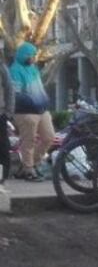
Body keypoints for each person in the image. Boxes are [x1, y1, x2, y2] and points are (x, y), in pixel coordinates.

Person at [9, 42, 54, 182]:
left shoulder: (33, 69)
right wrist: (32, 102)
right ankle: (29, 170)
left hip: (41, 110)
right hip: (25, 112)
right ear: (24, 55)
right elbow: (16, 93)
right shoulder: (14, 70)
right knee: (28, 141)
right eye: (32, 55)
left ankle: (30, 165)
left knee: (49, 137)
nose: (34, 57)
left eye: (35, 54)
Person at [0, 42, 13, 186]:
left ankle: (2, 176)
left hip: (0, 113)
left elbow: (9, 90)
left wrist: (9, 112)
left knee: (2, 146)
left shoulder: (2, 68)